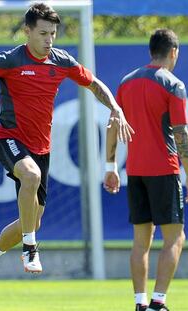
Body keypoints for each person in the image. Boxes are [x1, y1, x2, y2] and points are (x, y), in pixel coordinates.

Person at [0, 2, 134, 297]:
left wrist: (116, 108)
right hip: (8, 137)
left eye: (53, 34)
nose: (49, 40)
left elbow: (94, 84)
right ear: (27, 31)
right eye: (43, 33)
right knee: (29, 178)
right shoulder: (11, 59)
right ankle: (31, 249)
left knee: (31, 219)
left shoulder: (61, 61)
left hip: (42, 148)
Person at [104, 29, 186, 311]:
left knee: (141, 240)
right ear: (173, 52)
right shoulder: (173, 85)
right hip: (165, 170)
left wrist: (111, 165)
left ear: (152, 51)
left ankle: (139, 303)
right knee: (175, 237)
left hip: (135, 172)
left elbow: (113, 124)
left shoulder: (126, 82)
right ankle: (158, 302)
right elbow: (181, 136)